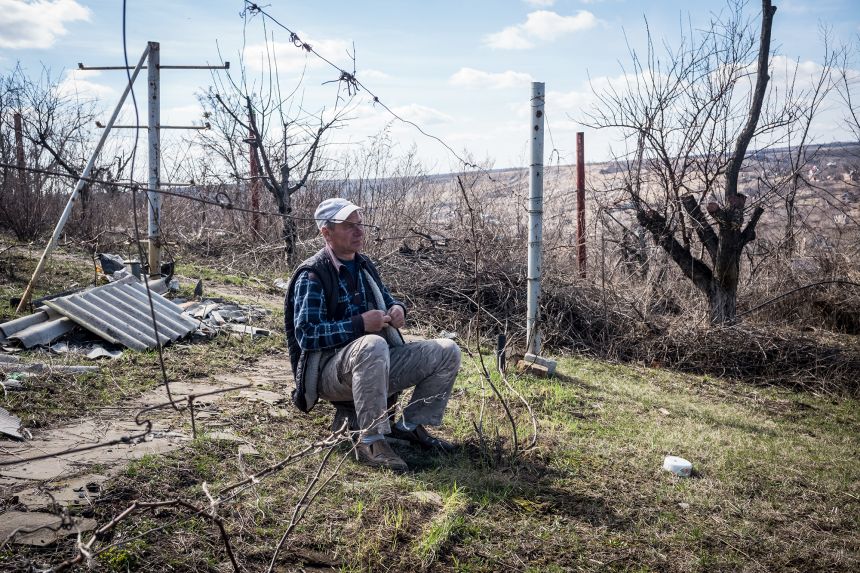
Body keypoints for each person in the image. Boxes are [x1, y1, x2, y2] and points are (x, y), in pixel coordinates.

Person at [284, 198, 461, 471]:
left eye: (359, 225)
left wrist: (397, 309)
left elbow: (388, 299)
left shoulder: (363, 265)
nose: (359, 231)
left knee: (447, 350)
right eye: (348, 226)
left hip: (375, 362)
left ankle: (409, 426)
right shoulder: (313, 274)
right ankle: (370, 438)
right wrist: (359, 324)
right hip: (330, 374)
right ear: (326, 232)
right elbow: (307, 335)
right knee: (372, 344)